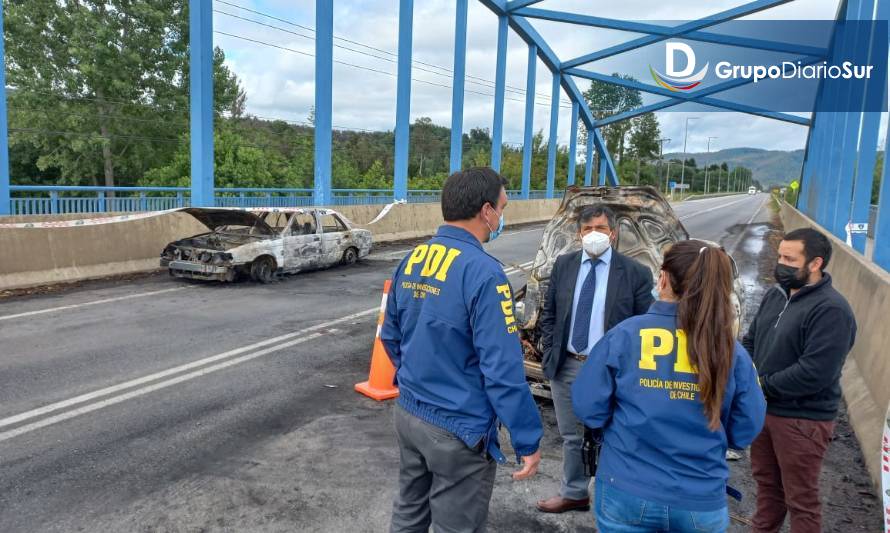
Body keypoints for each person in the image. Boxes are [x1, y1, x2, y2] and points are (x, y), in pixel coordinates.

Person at [381, 167, 544, 533]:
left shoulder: (413, 258)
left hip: (409, 412)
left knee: (409, 512)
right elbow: (502, 370)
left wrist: (418, 382)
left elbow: (390, 337)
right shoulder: (486, 273)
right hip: (458, 426)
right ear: (486, 211)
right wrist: (527, 437)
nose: (502, 217)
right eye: (502, 208)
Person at [572, 240, 766, 532]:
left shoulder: (624, 336)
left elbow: (589, 408)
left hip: (626, 489)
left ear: (663, 279)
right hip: (700, 500)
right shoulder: (730, 351)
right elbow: (745, 429)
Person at [536, 204, 654, 514]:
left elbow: (646, 326)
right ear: (578, 234)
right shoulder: (564, 265)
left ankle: (612, 498)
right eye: (587, 229)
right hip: (569, 364)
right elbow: (549, 313)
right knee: (571, 436)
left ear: (612, 234)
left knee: (615, 435)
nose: (593, 235)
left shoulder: (635, 273)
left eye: (599, 229)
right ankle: (575, 492)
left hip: (611, 370)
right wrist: (551, 349)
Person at [743, 228, 856, 533]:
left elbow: (816, 372)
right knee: (767, 491)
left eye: (789, 259)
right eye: (780, 256)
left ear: (815, 263)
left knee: (801, 501)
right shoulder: (775, 294)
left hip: (802, 421)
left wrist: (760, 386)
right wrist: (745, 378)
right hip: (764, 413)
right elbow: (751, 341)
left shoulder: (831, 309)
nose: (780, 264)